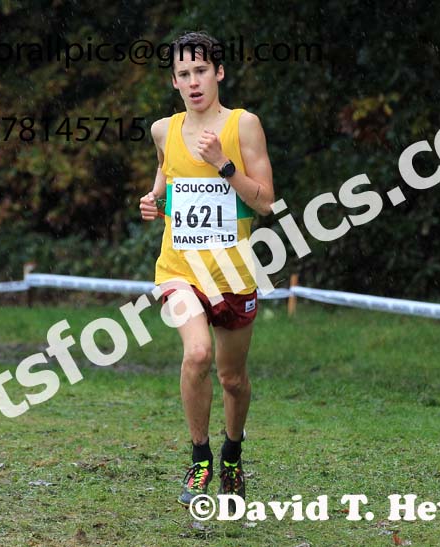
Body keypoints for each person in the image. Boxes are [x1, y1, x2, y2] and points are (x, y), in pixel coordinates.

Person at [138, 31, 275, 507]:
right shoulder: (163, 129)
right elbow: (165, 170)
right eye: (183, 74)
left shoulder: (243, 126)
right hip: (179, 269)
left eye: (201, 71)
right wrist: (154, 199)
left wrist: (223, 164)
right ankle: (200, 458)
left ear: (218, 72)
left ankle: (232, 454)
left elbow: (266, 203)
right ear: (173, 82)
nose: (193, 81)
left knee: (231, 379)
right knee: (195, 355)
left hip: (234, 275)